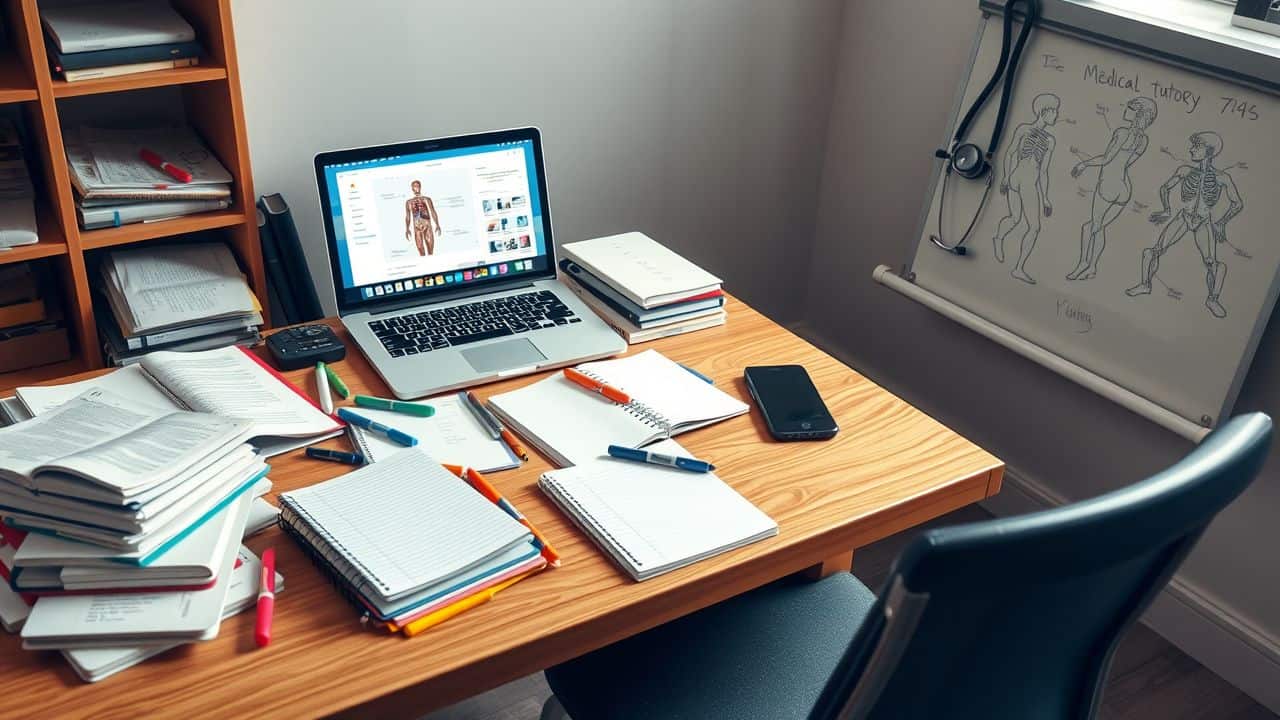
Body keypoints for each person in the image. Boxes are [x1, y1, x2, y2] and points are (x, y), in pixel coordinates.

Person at [1126, 131, 1243, 319]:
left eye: (1197, 146)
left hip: (1204, 222)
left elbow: (1237, 203)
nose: (1192, 149)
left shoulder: (1222, 178)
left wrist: (1222, 223)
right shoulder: (1185, 170)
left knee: (1214, 264)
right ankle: (1145, 285)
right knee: (1151, 252)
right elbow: (1165, 188)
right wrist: (1167, 210)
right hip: (1184, 217)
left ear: (1209, 151)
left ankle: (1212, 299)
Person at [1067, 96, 1157, 280]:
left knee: (1089, 227)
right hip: (1124, 189)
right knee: (1098, 228)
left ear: (1138, 113)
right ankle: (1092, 267)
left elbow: (1106, 159)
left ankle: (1083, 264)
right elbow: (1126, 163)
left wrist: (1083, 164)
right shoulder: (1143, 140)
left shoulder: (1122, 132)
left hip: (1108, 186)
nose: (1125, 108)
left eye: (1130, 107)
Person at [992, 93, 1060, 284]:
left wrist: (1045, 198)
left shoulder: (1050, 141)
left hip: (1027, 180)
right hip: (1020, 178)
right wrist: (1005, 177)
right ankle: (1018, 268)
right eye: (1054, 111)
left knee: (1016, 218)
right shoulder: (1024, 129)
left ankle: (998, 238)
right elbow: (1010, 152)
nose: (1056, 115)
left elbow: (1044, 171)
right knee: (1034, 226)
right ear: (1044, 111)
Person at [404, 180, 442, 256]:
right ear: (412, 188)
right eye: (414, 186)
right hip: (417, 227)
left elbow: (432, 211)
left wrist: (437, 224)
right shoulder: (409, 202)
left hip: (427, 225)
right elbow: (408, 216)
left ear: (420, 187)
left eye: (417, 186)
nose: (416, 188)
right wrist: (407, 229)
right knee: (421, 250)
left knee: (430, 251)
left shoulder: (427, 199)